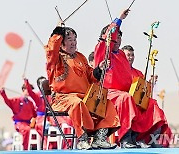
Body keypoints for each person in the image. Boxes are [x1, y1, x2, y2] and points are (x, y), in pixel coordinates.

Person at [94, 10, 168, 148]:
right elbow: (108, 35)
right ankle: (125, 138)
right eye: (115, 37)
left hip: (125, 94)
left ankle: (146, 139)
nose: (118, 40)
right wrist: (120, 19)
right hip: (109, 94)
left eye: (120, 37)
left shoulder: (121, 54)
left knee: (151, 103)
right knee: (126, 98)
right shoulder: (103, 50)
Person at [44, 21, 120, 150]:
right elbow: (51, 47)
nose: (73, 42)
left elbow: (91, 76)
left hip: (84, 97)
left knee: (106, 103)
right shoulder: (55, 59)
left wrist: (99, 68)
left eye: (75, 39)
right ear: (61, 42)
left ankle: (99, 138)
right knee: (77, 103)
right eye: (69, 39)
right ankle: (82, 139)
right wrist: (58, 31)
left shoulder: (81, 57)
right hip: (64, 99)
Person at [122, 45, 171, 147]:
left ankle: (152, 138)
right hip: (126, 104)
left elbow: (143, 93)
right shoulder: (119, 71)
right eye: (128, 55)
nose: (130, 57)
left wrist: (150, 84)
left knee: (153, 104)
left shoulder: (138, 73)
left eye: (132, 55)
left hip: (138, 104)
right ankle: (132, 138)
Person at [0, 84, 37, 150]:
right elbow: (8, 102)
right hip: (20, 124)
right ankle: (25, 149)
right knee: (27, 130)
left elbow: (34, 114)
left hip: (28, 124)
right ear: (23, 90)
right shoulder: (17, 100)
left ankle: (34, 148)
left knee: (38, 129)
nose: (29, 92)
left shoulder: (30, 103)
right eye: (28, 90)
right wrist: (3, 93)